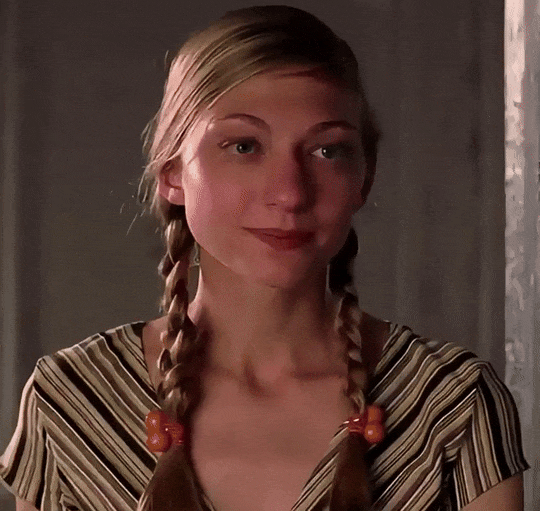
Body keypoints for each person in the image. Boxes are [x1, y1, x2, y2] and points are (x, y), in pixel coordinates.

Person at [0, 5, 528, 511]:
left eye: (327, 151)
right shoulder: (70, 401)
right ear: (173, 173)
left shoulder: (452, 405)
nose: (290, 193)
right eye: (244, 146)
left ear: (363, 178)